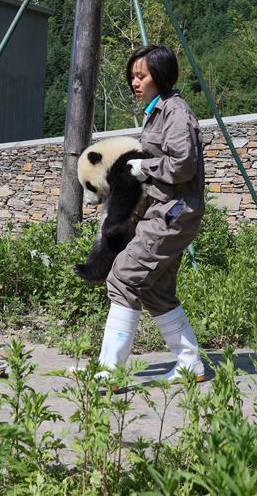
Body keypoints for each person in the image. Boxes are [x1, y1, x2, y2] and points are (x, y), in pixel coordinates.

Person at [94, 44, 206, 383]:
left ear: (160, 75)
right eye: (132, 76)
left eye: (141, 75)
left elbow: (183, 165)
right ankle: (191, 365)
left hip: (173, 213)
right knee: (155, 290)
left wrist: (147, 166)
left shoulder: (175, 112)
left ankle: (109, 372)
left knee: (124, 276)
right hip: (164, 211)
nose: (134, 82)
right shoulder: (158, 111)